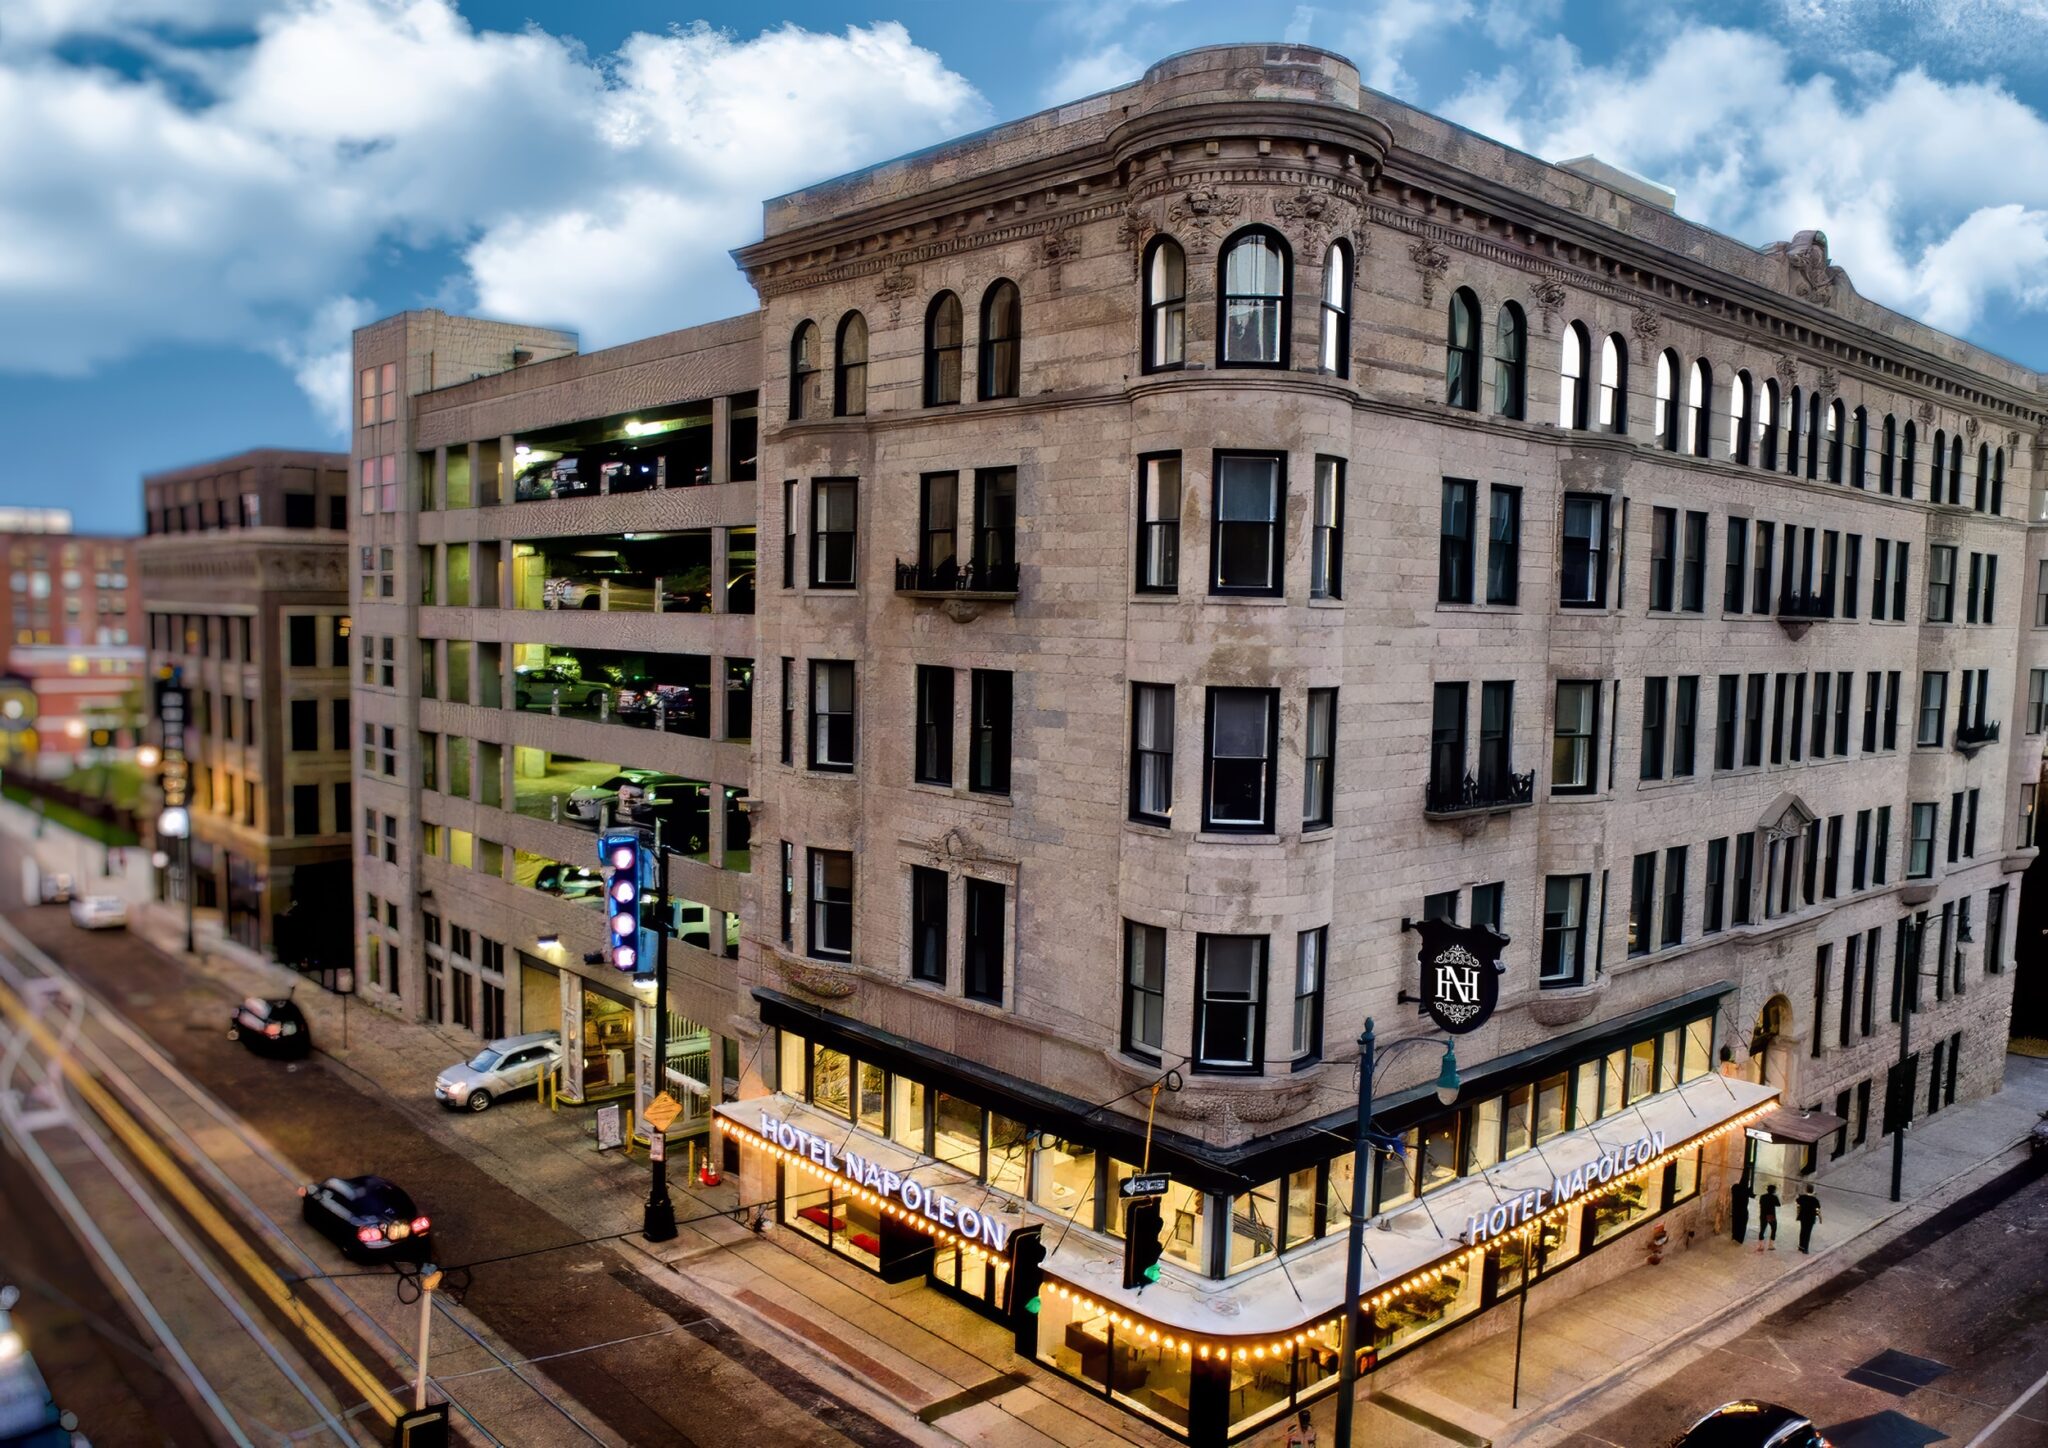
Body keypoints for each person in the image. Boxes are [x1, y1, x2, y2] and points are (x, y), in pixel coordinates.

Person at [1794, 1186, 1821, 1253]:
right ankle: (1805, 1248)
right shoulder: (1815, 1200)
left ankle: (1801, 1246)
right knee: (1808, 1233)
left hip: (1803, 1217)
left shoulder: (1802, 1197)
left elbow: (1797, 1201)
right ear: (1813, 1191)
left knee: (1802, 1231)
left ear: (1806, 1190)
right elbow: (1818, 1207)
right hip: (1810, 1218)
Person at [1729, 1176, 1752, 1244]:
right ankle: (1740, 1239)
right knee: (1742, 1225)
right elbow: (1752, 1195)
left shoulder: (1735, 1187)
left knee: (1735, 1223)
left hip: (1735, 1210)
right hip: (1743, 1211)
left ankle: (1734, 1236)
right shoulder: (1746, 1190)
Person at [1756, 1184, 1780, 1250]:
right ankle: (1770, 1246)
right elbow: (1778, 1204)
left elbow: (1760, 1203)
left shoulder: (1762, 1196)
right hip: (1770, 1215)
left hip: (1763, 1214)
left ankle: (1761, 1246)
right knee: (1774, 1229)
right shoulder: (1774, 1197)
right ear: (1774, 1191)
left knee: (1762, 1230)